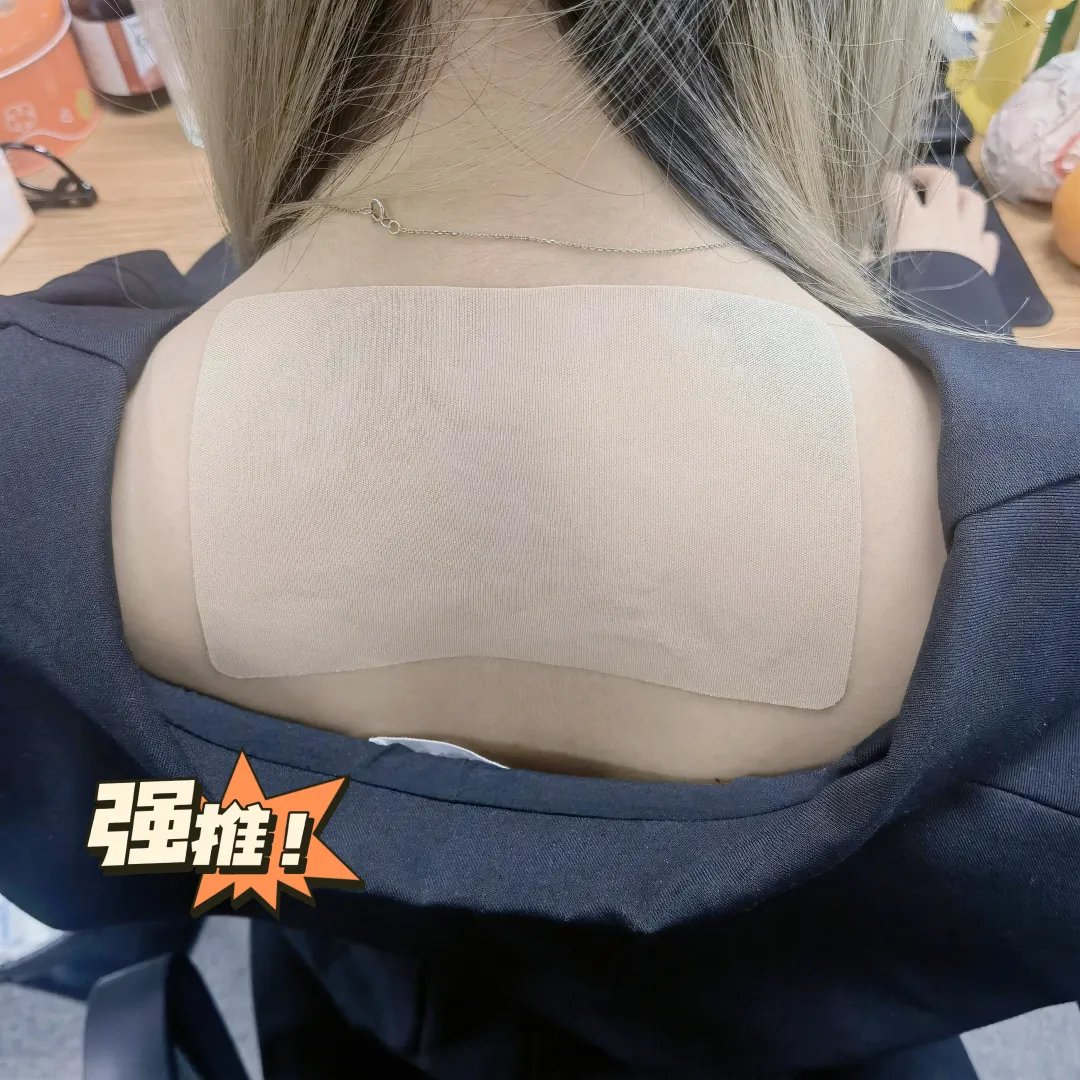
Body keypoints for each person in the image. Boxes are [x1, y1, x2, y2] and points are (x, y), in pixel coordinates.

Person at [1, 1, 1076, 1077]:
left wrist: (332, 836)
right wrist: (948, 301)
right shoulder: (1048, 543)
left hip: (346, 1000)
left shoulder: (31, 460)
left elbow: (115, 848)